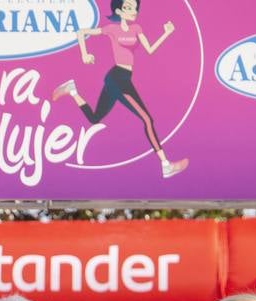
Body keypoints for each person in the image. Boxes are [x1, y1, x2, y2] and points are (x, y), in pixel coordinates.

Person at [51, 0, 189, 178]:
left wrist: (166, 33)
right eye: (128, 7)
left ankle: (72, 90)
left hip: (122, 78)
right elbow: (82, 32)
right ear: (119, 11)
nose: (133, 11)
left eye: (134, 8)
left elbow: (150, 49)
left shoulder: (137, 29)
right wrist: (84, 54)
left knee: (94, 118)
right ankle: (165, 164)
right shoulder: (112, 29)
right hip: (117, 78)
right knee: (147, 119)